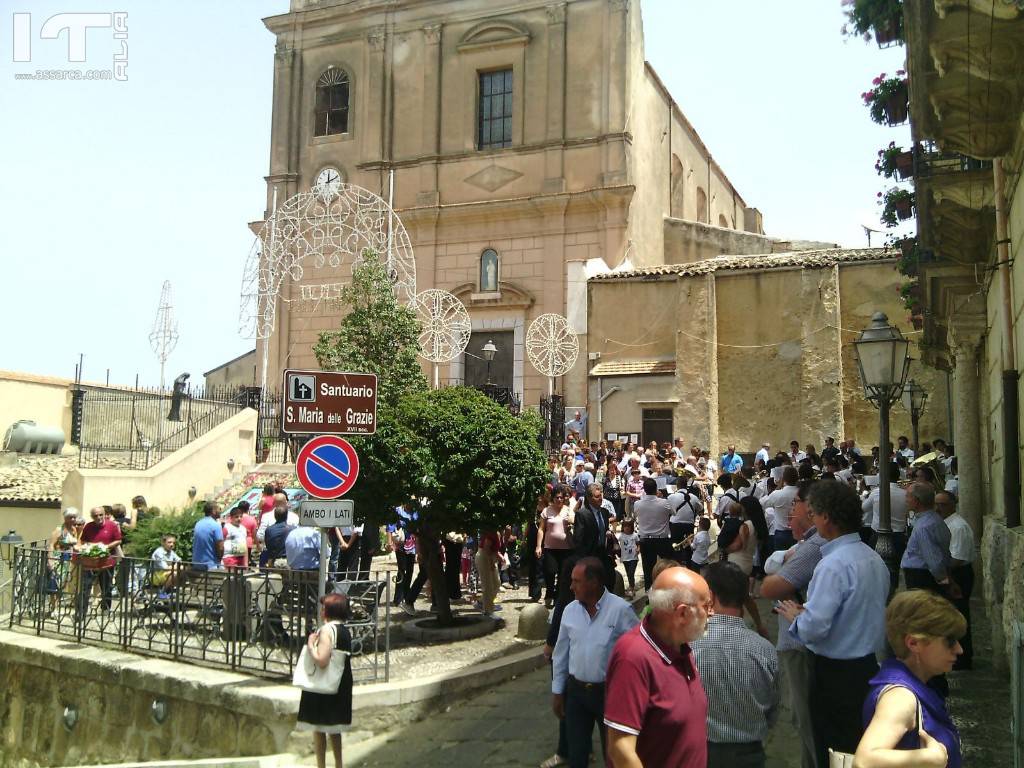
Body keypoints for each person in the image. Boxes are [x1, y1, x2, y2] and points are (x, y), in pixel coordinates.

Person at [776, 480, 889, 767]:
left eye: (813, 514)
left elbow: (815, 628)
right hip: (867, 665)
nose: (811, 520)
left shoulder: (833, 565)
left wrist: (797, 617)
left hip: (835, 673)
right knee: (855, 745)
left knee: (834, 749)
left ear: (826, 517)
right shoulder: (873, 558)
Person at [604, 566, 712, 768]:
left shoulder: (680, 646)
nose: (711, 613)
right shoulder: (633, 657)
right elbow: (620, 749)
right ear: (681, 613)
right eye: (706, 605)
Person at [855, 590, 965, 768]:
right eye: (950, 641)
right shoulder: (900, 698)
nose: (959, 650)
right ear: (914, 643)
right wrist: (931, 758)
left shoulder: (920, 684)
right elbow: (865, 761)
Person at [759, 480, 824, 768]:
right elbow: (772, 568)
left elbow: (770, 586)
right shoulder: (807, 545)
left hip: (800, 642)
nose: (789, 509)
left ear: (811, 510)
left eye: (795, 504)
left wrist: (784, 562)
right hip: (800, 638)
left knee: (805, 716)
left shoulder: (811, 547)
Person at [551, 558, 639, 768]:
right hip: (576, 693)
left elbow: (638, 651)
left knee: (614, 753)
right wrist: (557, 692)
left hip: (608, 694)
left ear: (593, 582)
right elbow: (561, 654)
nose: (571, 586)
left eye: (576, 581)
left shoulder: (621, 610)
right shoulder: (570, 610)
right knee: (577, 753)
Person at [692, 562, 779, 768]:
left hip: (699, 751)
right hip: (749, 754)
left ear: (710, 597)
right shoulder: (765, 650)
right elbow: (772, 708)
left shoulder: (688, 647)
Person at [296, 593, 354, 768]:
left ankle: (321, 765)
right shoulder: (344, 631)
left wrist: (310, 645)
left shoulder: (326, 630)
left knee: (319, 729)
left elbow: (322, 660)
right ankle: (338, 764)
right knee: (334, 729)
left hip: (322, 687)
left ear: (328, 611)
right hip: (340, 683)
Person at [902, 482, 958, 600]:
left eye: (908, 496)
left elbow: (934, 560)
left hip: (921, 576)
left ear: (917, 501)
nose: (905, 499)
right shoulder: (934, 519)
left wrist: (945, 583)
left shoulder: (924, 526)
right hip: (924, 575)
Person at [937, 490, 974, 669]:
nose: (938, 508)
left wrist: (943, 572)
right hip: (953, 571)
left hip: (959, 573)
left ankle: (963, 658)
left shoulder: (957, 526)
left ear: (952, 505)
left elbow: (957, 558)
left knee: (958, 616)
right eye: (936, 504)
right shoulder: (947, 523)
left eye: (942, 504)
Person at [77, 505, 122, 616]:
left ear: (104, 514)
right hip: (90, 561)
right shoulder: (88, 526)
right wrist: (91, 546)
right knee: (85, 587)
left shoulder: (112, 525)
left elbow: (118, 540)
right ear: (92, 516)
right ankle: (82, 611)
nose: (98, 517)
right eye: (95, 515)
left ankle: (106, 609)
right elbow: (83, 541)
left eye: (100, 515)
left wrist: (106, 547)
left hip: (107, 561)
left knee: (106, 587)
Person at [633, 476, 674, 590]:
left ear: (644, 490)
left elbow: (635, 514)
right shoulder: (665, 503)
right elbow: (674, 513)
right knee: (668, 566)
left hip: (645, 540)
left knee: (648, 568)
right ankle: (668, 587)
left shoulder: (638, 504)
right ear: (656, 489)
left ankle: (649, 593)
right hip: (662, 539)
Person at [573, 484, 616, 587]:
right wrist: (583, 559)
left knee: (609, 581)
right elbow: (578, 539)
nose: (600, 499)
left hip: (604, 555)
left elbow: (604, 530)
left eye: (601, 496)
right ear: (589, 498)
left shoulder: (605, 512)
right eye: (597, 497)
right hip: (590, 555)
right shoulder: (582, 514)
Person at [539, 486, 574, 608]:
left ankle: (558, 597)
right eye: (557, 497)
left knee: (563, 574)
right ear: (553, 498)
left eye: (561, 497)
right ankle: (549, 592)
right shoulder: (546, 511)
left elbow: (575, 523)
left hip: (566, 548)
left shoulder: (568, 510)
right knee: (550, 571)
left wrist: (571, 524)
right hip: (550, 548)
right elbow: (541, 529)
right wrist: (538, 546)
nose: (559, 500)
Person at [761, 466, 799, 551]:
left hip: (781, 532)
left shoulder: (777, 494)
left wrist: (778, 487)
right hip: (799, 532)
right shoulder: (802, 492)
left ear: (783, 479)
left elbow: (763, 503)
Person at [476, 529, 501, 618]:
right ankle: (488, 611)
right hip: (484, 557)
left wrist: (499, 557)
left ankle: (481, 601)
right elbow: (486, 547)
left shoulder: (497, 532)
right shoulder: (491, 531)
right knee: (488, 585)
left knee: (497, 583)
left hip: (490, 557)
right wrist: (491, 563)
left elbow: (494, 549)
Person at [192, 501, 224, 571]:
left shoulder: (198, 523)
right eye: (219, 509)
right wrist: (219, 559)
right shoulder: (215, 525)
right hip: (210, 565)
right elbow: (220, 547)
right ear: (214, 511)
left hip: (197, 563)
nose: (220, 511)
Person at [617, 519, 639, 597]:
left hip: (633, 557)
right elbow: (616, 542)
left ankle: (631, 587)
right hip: (625, 558)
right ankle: (631, 587)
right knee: (628, 573)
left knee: (631, 573)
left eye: (628, 526)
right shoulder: (621, 536)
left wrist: (638, 549)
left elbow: (638, 543)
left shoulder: (634, 535)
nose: (627, 528)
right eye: (625, 526)